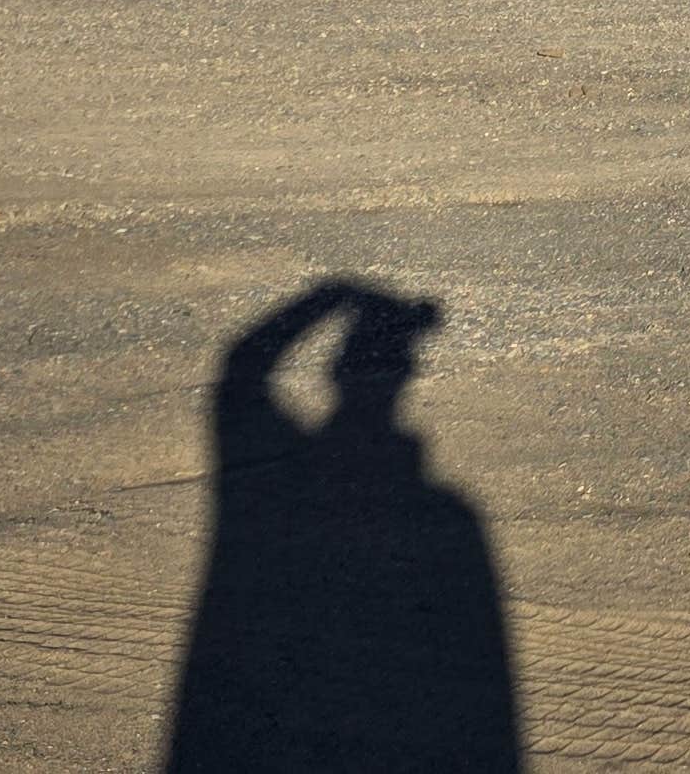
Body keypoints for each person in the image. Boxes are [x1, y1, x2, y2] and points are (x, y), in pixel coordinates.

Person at [161, 278, 521, 770]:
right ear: (406, 376)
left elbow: (242, 368)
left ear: (336, 372)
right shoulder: (444, 513)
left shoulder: (266, 479)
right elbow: (483, 671)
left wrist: (336, 294)